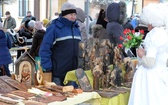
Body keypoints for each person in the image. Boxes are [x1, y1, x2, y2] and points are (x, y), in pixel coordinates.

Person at [128, 3, 168, 105]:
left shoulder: (153, 35)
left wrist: (141, 54)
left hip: (150, 77)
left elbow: (150, 62)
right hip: (162, 73)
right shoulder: (165, 34)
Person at [39, 2, 81, 86]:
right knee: (58, 97)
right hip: (57, 74)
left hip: (73, 73)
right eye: (71, 14)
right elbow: (44, 49)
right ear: (64, 15)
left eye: (75, 14)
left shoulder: (76, 29)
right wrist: (48, 67)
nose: (74, 17)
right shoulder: (54, 28)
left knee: (73, 97)